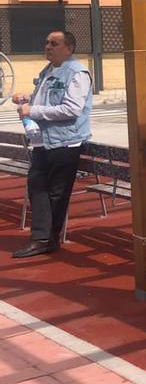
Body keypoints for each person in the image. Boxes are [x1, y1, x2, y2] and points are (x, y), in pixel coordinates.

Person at [11, 32, 93, 258]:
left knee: (56, 193)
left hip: (65, 142)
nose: (47, 46)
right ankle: (42, 238)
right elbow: (45, 100)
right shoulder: (47, 71)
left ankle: (46, 239)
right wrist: (26, 99)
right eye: (46, 42)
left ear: (69, 48)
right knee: (36, 186)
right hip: (44, 141)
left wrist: (33, 111)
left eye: (54, 43)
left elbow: (71, 109)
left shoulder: (77, 73)